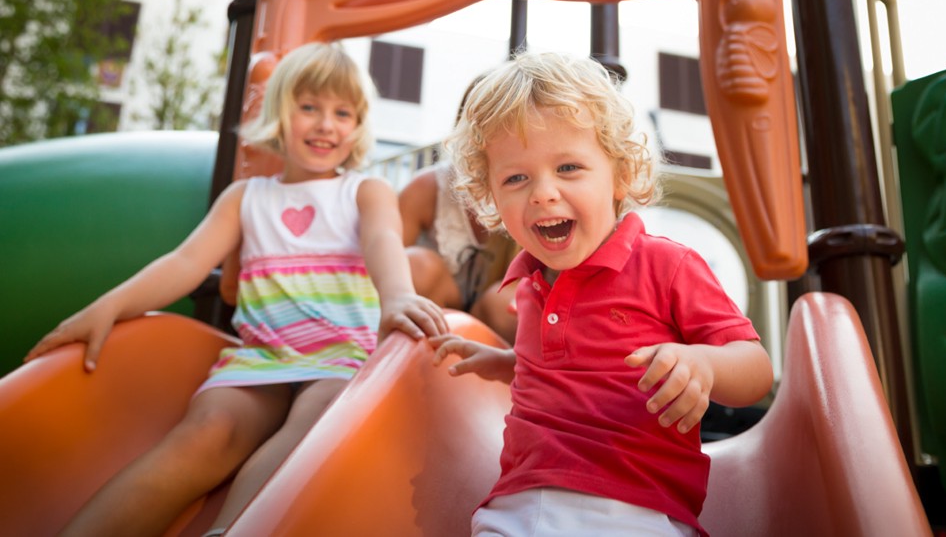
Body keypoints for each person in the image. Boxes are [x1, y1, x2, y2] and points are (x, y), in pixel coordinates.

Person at [25, 41, 448, 537]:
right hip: (262, 358)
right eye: (308, 107)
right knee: (206, 434)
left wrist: (395, 295)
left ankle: (227, 532)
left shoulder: (364, 191)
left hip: (340, 355)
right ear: (279, 115)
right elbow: (185, 262)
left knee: (320, 421)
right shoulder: (246, 198)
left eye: (342, 112)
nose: (325, 124)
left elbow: (382, 242)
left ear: (357, 127)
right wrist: (109, 306)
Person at [429, 51, 773, 536]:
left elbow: (756, 368)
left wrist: (705, 364)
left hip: (633, 504)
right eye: (515, 178)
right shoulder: (528, 283)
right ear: (490, 196)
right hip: (516, 504)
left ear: (622, 175)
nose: (543, 192)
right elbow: (565, 373)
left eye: (568, 167)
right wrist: (505, 362)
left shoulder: (666, 265)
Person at [400, 77, 520, 343]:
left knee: (511, 302)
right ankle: (410, 360)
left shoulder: (530, 188)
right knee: (415, 263)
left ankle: (508, 376)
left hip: (493, 318)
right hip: (435, 306)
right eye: (483, 128)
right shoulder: (427, 187)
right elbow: (383, 267)